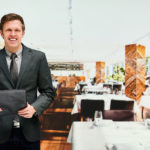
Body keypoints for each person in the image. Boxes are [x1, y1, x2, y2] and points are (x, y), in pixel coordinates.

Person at [0, 13, 55, 150]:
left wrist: (35, 108)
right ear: (1, 33)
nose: (13, 34)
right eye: (8, 30)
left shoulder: (38, 58)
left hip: (29, 131)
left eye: (17, 30)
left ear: (23, 33)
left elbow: (48, 91)